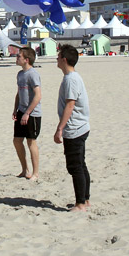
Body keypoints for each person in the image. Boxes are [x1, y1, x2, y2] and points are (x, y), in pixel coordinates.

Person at [53, 45, 90, 212]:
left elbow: (70, 105)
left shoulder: (71, 79)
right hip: (79, 126)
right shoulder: (72, 77)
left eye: (59, 56)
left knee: (75, 166)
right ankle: (85, 200)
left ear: (64, 60)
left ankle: (81, 203)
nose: (57, 59)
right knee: (80, 165)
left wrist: (60, 128)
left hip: (75, 128)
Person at [12, 47, 41, 181]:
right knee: (17, 140)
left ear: (26, 60)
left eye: (19, 56)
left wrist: (27, 113)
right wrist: (15, 110)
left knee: (31, 142)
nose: (16, 58)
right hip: (21, 111)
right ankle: (25, 169)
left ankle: (35, 173)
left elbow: (38, 95)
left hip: (33, 113)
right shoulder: (20, 74)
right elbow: (19, 93)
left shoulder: (33, 74)